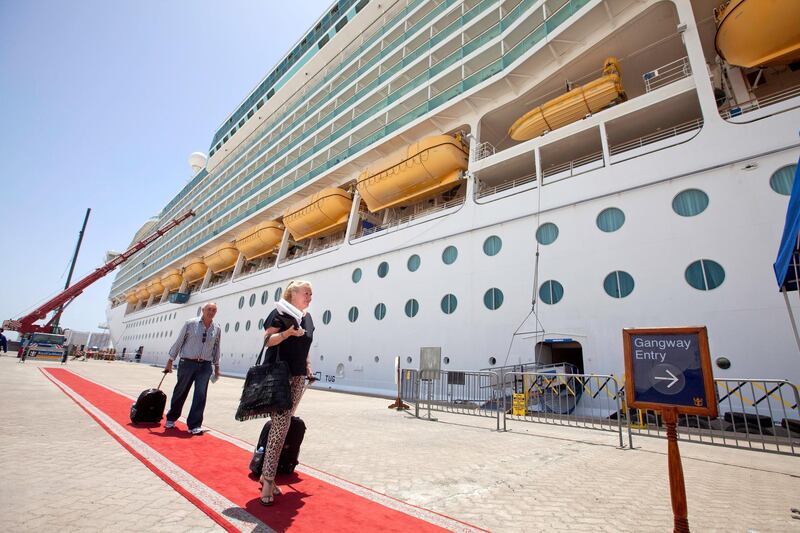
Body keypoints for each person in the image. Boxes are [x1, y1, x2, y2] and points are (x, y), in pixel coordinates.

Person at [259, 280, 315, 506]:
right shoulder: (280, 313)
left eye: (311, 294)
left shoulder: (307, 318)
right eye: (306, 293)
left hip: (298, 376)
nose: (310, 296)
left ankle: (266, 475)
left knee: (283, 425)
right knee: (281, 426)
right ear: (293, 293)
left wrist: (308, 366)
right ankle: (268, 480)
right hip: (280, 375)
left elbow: (306, 346)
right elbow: (267, 341)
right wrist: (286, 334)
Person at [163, 302, 221, 435]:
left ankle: (194, 425)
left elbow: (217, 348)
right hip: (187, 363)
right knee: (181, 391)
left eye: (214, 310)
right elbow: (179, 342)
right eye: (209, 309)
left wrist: (217, 366)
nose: (211, 312)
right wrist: (170, 361)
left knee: (200, 395)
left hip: (205, 365)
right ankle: (171, 418)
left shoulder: (217, 328)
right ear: (203, 310)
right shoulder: (190, 323)